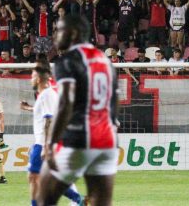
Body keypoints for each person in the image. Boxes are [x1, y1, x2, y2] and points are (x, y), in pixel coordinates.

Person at [38, 14, 117, 206]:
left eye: (58, 30)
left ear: (72, 33)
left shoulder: (68, 60)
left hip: (79, 138)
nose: (55, 35)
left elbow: (66, 102)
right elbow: (115, 100)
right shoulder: (106, 61)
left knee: (44, 198)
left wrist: (50, 144)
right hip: (107, 141)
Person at [20, 60, 84, 206]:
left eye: (31, 76)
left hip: (45, 144)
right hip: (43, 142)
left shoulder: (47, 94)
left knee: (35, 177)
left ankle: (78, 199)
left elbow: (49, 120)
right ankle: (78, 199)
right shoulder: (45, 95)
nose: (30, 80)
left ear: (37, 79)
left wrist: (46, 146)